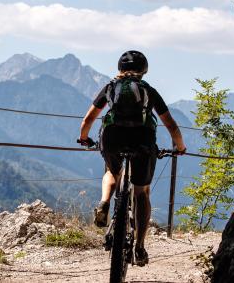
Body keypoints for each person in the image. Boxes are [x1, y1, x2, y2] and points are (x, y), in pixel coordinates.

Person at [79, 50, 187, 267]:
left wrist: (84, 138)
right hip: (143, 142)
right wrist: (180, 147)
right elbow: (171, 125)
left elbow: (89, 118)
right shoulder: (149, 90)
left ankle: (104, 203)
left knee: (111, 172)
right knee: (141, 191)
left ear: (119, 67)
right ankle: (139, 246)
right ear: (144, 70)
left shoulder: (110, 87)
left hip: (112, 139)